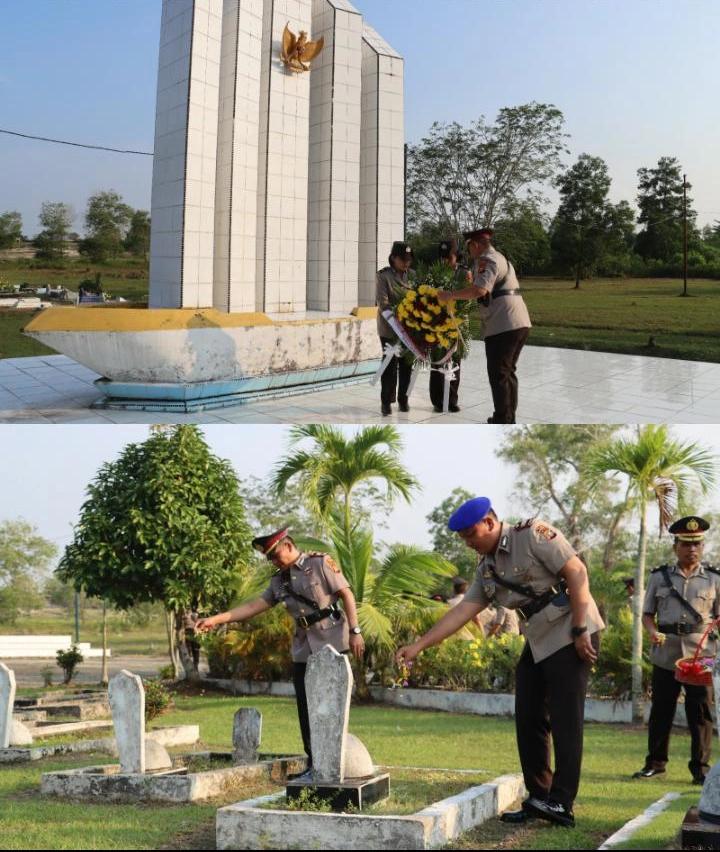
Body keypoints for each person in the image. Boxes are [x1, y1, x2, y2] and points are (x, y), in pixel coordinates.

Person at [396, 496, 604, 828]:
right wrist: (418, 645)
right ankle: (540, 798)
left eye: (471, 534)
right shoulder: (487, 568)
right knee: (528, 716)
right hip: (539, 638)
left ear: (491, 523)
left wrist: (581, 629)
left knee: (566, 720)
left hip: (570, 630)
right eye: (462, 537)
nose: (468, 542)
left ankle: (562, 804)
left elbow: (577, 573)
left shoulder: (533, 535)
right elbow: (463, 611)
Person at [196, 527, 365, 775]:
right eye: (270, 558)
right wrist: (216, 619)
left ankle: (335, 763)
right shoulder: (279, 581)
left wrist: (355, 631)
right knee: (305, 707)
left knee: (331, 705)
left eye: (275, 555)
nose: (273, 561)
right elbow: (255, 606)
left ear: (287, 545)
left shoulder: (320, 563)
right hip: (304, 649)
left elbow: (346, 595)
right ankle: (314, 763)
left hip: (332, 643)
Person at [633, 516, 719, 785]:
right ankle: (656, 763)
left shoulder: (714, 579)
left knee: (701, 713)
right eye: (686, 544)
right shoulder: (659, 577)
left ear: (702, 546)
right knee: (661, 710)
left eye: (696, 544)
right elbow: (647, 614)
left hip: (700, 655)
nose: (691, 549)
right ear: (675, 547)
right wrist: (651, 632)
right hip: (667, 652)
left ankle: (701, 769)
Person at [436, 228, 531, 423]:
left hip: (504, 323)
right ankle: (507, 416)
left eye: (469, 246)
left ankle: (502, 419)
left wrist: (450, 295)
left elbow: (479, 290)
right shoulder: (500, 257)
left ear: (476, 244)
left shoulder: (487, 260)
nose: (468, 251)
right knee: (507, 372)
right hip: (518, 321)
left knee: (499, 374)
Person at [429, 239, 471, 413]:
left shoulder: (464, 273)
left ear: (456, 256)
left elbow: (468, 298)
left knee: (454, 362)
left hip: (457, 322)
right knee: (438, 361)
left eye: (449, 257)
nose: (445, 261)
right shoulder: (434, 273)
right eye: (442, 257)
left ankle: (451, 400)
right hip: (438, 323)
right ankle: (437, 400)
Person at [375, 241, 416, 416]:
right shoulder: (383, 276)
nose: (406, 263)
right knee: (389, 366)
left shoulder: (413, 275)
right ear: (393, 258)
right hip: (389, 328)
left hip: (410, 329)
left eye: (409, 259)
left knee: (407, 365)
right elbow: (383, 304)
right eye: (403, 259)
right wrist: (397, 320)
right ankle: (386, 402)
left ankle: (403, 399)